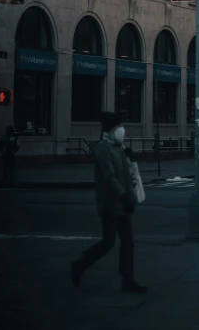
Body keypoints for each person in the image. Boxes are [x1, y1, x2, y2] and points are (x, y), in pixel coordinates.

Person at [70, 112, 146, 294]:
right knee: (108, 242)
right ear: (109, 130)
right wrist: (123, 197)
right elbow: (109, 177)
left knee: (128, 242)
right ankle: (80, 264)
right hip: (110, 204)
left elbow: (125, 176)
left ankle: (127, 280)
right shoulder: (103, 149)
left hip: (123, 203)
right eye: (117, 126)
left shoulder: (118, 147)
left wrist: (131, 161)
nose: (121, 129)